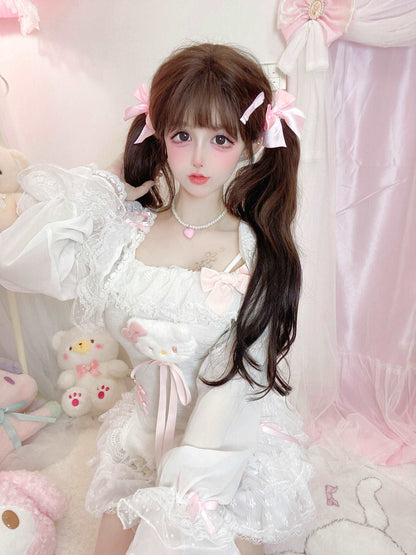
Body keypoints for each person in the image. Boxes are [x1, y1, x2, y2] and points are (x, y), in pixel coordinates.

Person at [0, 43, 315, 554]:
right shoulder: (122, 234)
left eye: (220, 139)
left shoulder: (257, 251)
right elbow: (16, 259)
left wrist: (186, 493)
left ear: (249, 145)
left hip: (225, 448)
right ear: (159, 133)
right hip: (143, 439)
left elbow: (240, 383)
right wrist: (111, 185)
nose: (198, 158)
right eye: (182, 135)